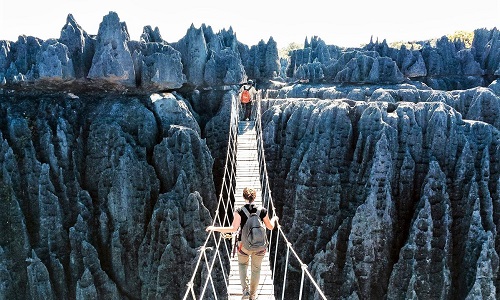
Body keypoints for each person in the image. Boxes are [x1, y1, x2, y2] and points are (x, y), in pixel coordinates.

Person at [206, 187, 279, 300]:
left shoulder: (239, 211)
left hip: (243, 246)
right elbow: (270, 227)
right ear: (254, 197)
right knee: (256, 269)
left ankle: (245, 291)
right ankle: (253, 295)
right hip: (260, 246)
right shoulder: (262, 210)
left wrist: (214, 228)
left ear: (244, 197)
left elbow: (233, 229)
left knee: (242, 265)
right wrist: (274, 218)